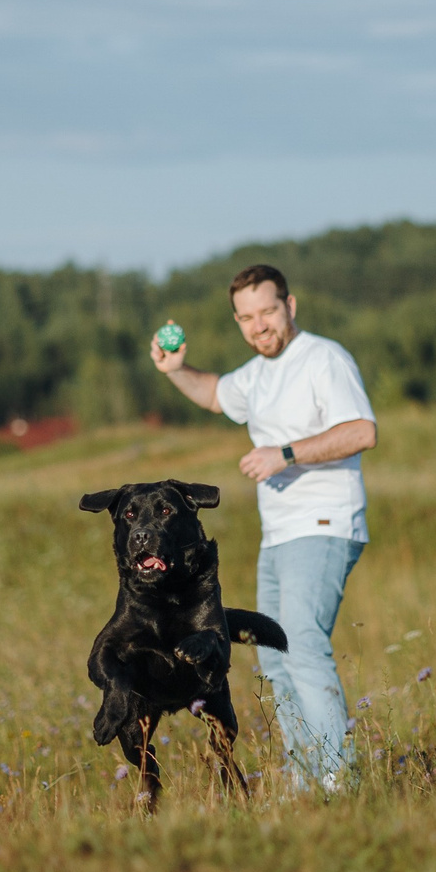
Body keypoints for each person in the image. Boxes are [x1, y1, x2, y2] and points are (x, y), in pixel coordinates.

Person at [151, 263, 377, 790]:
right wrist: (174, 370)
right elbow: (214, 395)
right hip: (278, 536)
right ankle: (306, 783)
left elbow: (362, 430)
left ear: (290, 306)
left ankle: (337, 781)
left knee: (300, 643)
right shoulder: (257, 374)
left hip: (323, 522)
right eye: (247, 317)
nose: (259, 326)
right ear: (238, 321)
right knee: (275, 658)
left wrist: (287, 454)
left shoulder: (322, 358)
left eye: (268, 312)